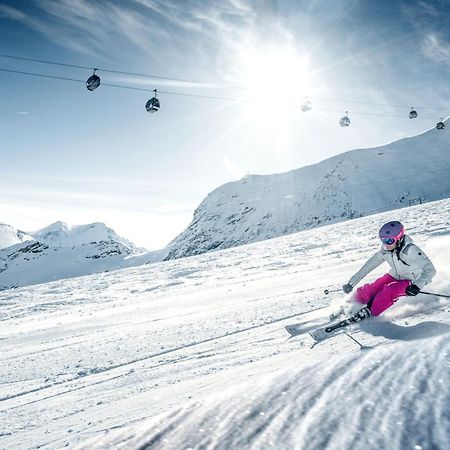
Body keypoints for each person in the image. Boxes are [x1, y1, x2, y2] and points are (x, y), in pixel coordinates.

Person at [341, 220, 436, 317]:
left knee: (389, 290)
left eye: (390, 240)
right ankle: (352, 303)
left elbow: (430, 269)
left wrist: (417, 285)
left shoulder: (411, 250)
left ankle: (371, 312)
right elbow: (368, 266)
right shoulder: (385, 250)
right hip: (395, 275)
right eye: (383, 240)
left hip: (411, 280)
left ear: (399, 238)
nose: (386, 244)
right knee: (372, 288)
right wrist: (351, 283)